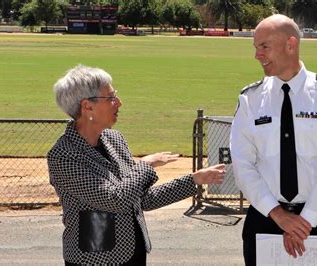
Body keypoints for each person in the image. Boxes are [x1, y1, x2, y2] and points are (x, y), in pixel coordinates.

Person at [47, 64, 225, 265]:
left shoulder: (115, 139)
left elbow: (140, 199)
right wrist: (146, 165)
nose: (119, 103)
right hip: (95, 260)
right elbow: (115, 199)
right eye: (111, 97)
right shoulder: (63, 155)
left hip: (134, 254)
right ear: (88, 106)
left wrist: (194, 180)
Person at [230, 14, 317, 266]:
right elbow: (242, 164)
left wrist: (306, 221)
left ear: (290, 45)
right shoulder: (250, 99)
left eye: (264, 46)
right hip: (265, 218)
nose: (257, 55)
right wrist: (279, 215)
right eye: (255, 47)